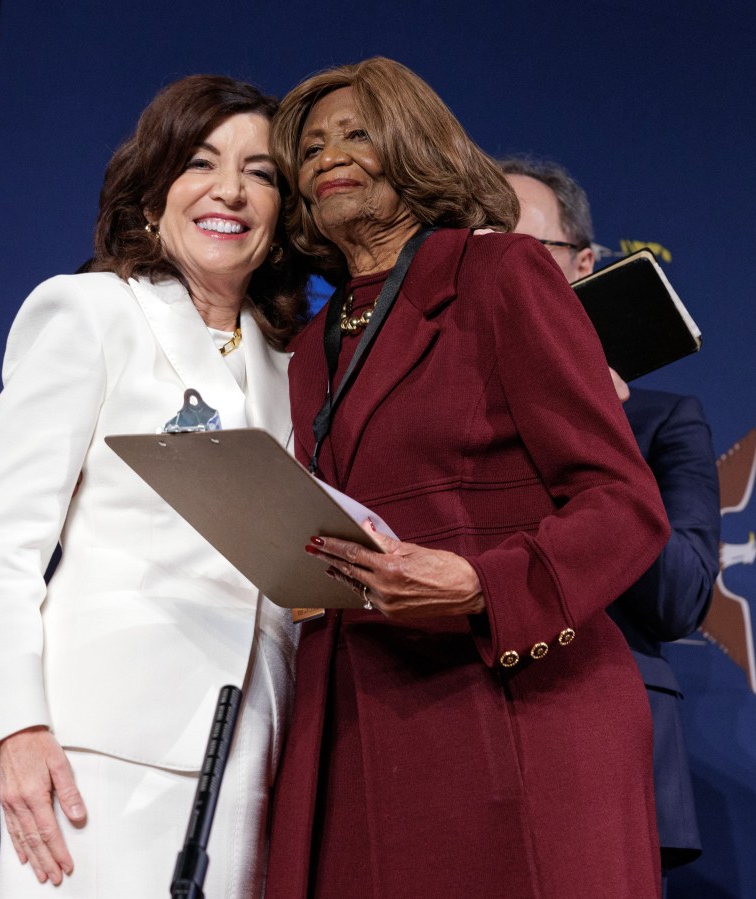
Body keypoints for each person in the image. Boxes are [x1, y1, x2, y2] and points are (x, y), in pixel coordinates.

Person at [265, 57, 671, 898]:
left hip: (516, 705)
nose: (330, 156)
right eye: (310, 147)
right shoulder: (308, 346)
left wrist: (484, 585)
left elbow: (624, 503)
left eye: (357, 133)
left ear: (414, 145)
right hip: (356, 722)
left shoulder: (502, 276)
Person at [0, 75, 309, 897]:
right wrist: (17, 727)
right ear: (153, 193)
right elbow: (6, 541)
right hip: (94, 754)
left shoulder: (295, 366)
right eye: (201, 161)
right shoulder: (90, 313)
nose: (230, 189)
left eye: (260, 172)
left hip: (251, 753)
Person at [501, 156, 721, 873]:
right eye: (484, 252)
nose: (507, 276)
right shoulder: (447, 421)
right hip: (465, 734)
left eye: (530, 254)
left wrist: (594, 431)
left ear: (585, 263)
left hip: (610, 750)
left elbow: (679, 601)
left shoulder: (661, 422)